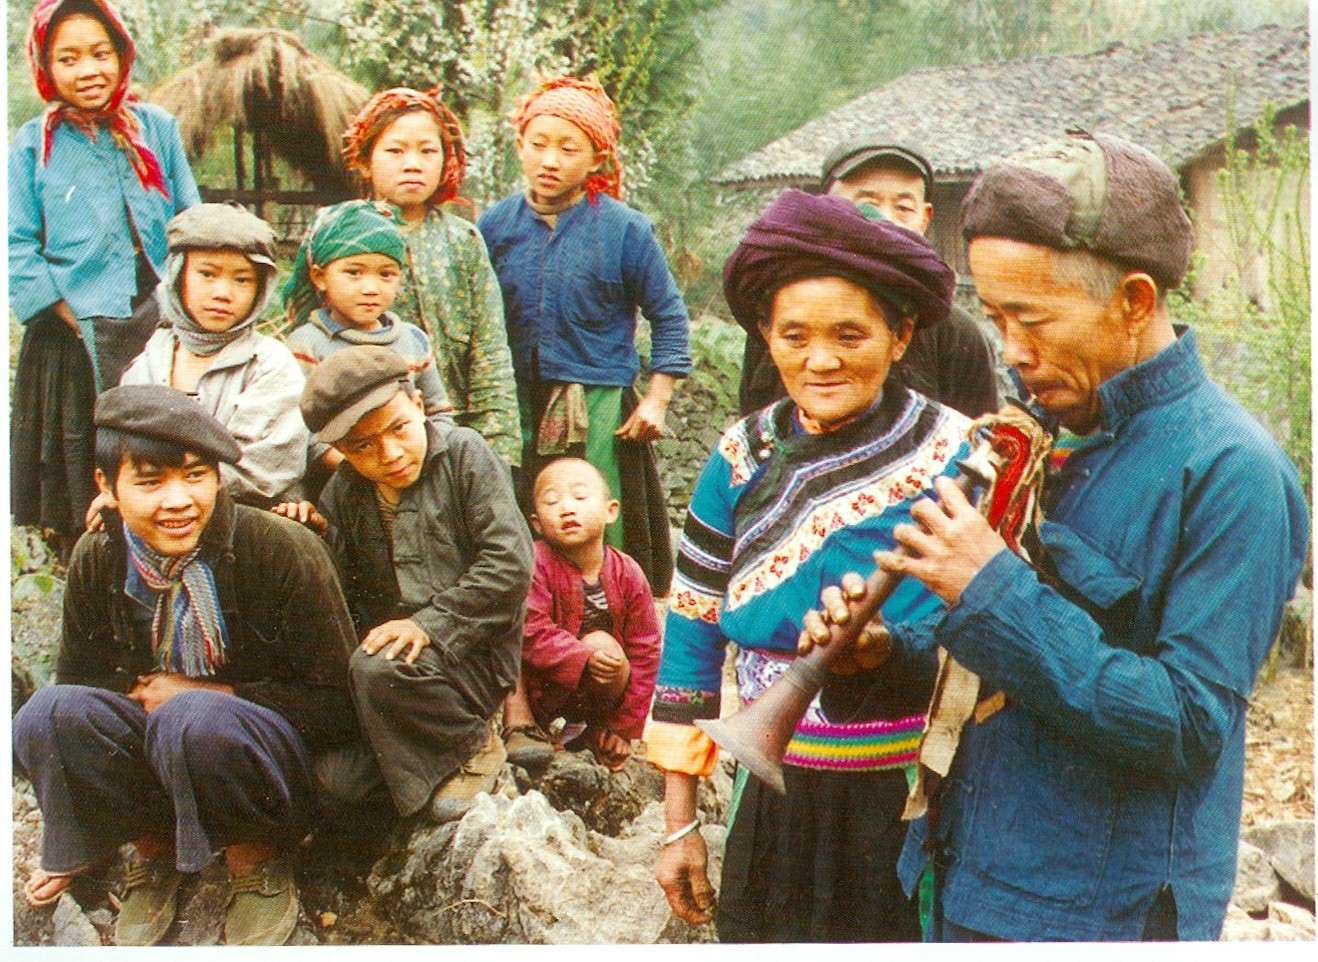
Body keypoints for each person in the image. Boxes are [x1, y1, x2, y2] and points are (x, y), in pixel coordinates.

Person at [808, 131, 1309, 941]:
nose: (1013, 352)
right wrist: (884, 656)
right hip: (965, 878)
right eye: (996, 317)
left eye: (1033, 319)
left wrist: (991, 588)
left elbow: (1187, 727)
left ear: (1134, 301)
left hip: (1098, 916)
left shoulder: (1233, 472)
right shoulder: (1043, 430)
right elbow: (996, 675)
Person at [651, 189, 968, 942]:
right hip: (771, 795)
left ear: (901, 335)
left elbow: (985, 634)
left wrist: (889, 650)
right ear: (766, 335)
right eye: (793, 335)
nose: (819, 360)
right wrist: (679, 824)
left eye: (851, 335)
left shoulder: (960, 454)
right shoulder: (739, 456)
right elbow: (692, 630)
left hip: (909, 798)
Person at [12, 384, 358, 945]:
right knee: (48, 713)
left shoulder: (279, 547)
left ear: (219, 479)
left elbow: (341, 706)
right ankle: (153, 848)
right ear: (107, 486)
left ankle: (255, 859)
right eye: (150, 482)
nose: (178, 501)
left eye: (196, 476)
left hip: (264, 765)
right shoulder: (99, 555)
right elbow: (82, 683)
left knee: (193, 716)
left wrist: (218, 695)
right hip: (166, 750)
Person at [278, 345, 533, 822]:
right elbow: (345, 590)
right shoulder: (345, 489)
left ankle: (473, 742)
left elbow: (509, 565)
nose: (390, 454)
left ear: (419, 406)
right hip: (391, 677)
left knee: (378, 667)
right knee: (335, 785)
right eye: (363, 446)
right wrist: (316, 536)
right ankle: (416, 780)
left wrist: (427, 625)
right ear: (341, 452)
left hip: (469, 658)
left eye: (398, 428)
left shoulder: (464, 454)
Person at [478, 75, 692, 593]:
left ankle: (611, 611)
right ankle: (530, 615)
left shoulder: (625, 229)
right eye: (538, 144)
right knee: (517, 509)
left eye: (568, 148)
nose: (549, 160)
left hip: (596, 399)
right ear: (520, 146)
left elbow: (669, 315)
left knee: (592, 512)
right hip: (513, 397)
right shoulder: (495, 226)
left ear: (597, 158)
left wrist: (657, 400)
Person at [9, 0, 200, 550]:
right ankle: (87, 564)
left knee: (159, 456)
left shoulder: (156, 128)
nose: (88, 70)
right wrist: (66, 311)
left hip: (157, 322)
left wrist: (181, 300)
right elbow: (16, 244)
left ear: (121, 55)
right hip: (70, 334)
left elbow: (189, 219)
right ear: (46, 67)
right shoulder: (31, 144)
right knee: (82, 472)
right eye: (68, 59)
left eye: (100, 53)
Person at [738, 137, 999, 419]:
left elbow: (976, 437)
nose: (884, 221)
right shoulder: (782, 320)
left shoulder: (957, 335)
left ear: (925, 219)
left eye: (903, 208)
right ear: (823, 210)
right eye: (865, 204)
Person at [341, 86, 521, 468]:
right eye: (395, 151)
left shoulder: (464, 240)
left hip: (457, 436)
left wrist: (497, 457)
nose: (412, 164)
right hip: (370, 441)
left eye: (427, 151)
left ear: (446, 160)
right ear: (366, 160)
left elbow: (490, 352)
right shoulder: (338, 235)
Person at [116, 203, 307, 509]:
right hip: (157, 512)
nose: (223, 293)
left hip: (245, 515)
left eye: (242, 279)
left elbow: (264, 467)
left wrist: (174, 490)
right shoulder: (151, 359)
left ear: (260, 288)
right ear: (178, 276)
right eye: (207, 274)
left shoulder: (269, 364)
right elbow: (124, 452)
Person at [501, 457, 662, 771]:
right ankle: (534, 728)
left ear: (610, 511)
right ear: (536, 523)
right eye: (552, 501)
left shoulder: (628, 573)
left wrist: (624, 727)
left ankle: (597, 730)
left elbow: (647, 651)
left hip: (598, 692)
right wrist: (581, 656)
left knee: (605, 646)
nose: (566, 508)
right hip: (542, 689)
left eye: (580, 496)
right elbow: (530, 629)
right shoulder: (535, 561)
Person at [283, 198, 454, 489]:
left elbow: (439, 413)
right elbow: (300, 431)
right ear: (320, 277)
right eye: (354, 272)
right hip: (344, 486)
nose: (371, 288)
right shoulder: (306, 345)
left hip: (414, 473)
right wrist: (361, 465)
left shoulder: (413, 340)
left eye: (386, 274)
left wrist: (422, 460)